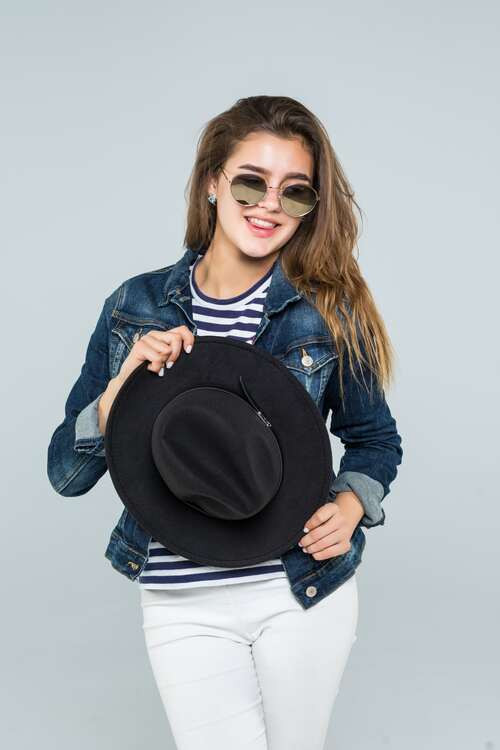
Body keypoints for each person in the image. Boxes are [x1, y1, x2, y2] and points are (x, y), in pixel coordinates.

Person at [47, 95, 403, 750]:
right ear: (213, 182)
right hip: (181, 601)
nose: (270, 205)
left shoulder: (327, 311)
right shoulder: (135, 306)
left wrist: (352, 504)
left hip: (299, 586)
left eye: (295, 192)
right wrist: (121, 389)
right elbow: (65, 474)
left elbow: (376, 440)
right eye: (250, 182)